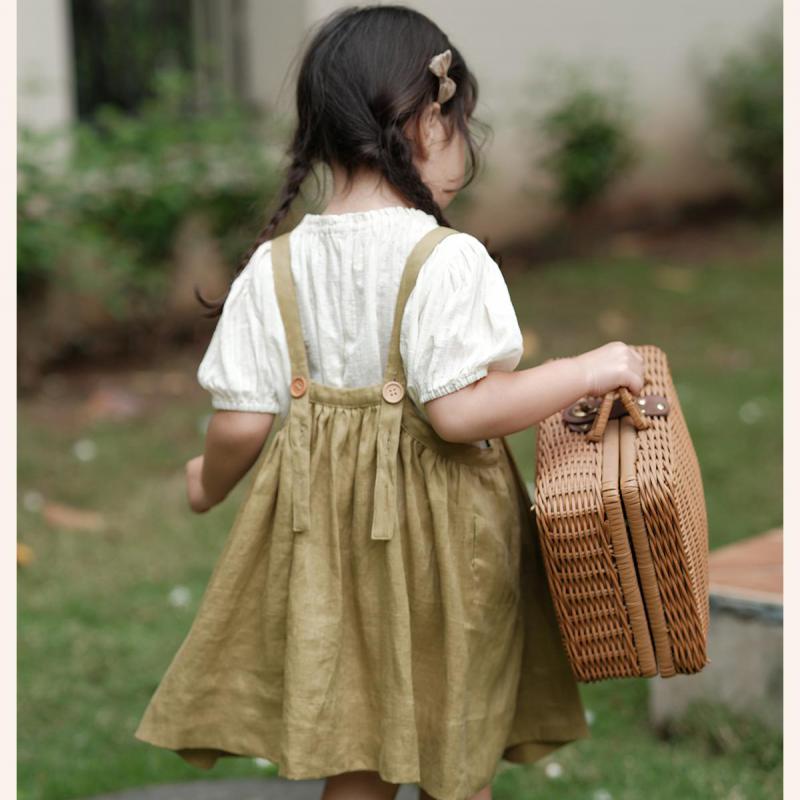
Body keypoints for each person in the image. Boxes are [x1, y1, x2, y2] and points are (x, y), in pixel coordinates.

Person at [133, 5, 646, 800]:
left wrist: (209, 481)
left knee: (356, 746)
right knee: (456, 743)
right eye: (461, 123)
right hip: (448, 553)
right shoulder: (446, 259)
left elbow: (238, 422)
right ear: (425, 120)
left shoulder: (274, 267)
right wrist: (584, 370)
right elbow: (462, 410)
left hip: (327, 552)